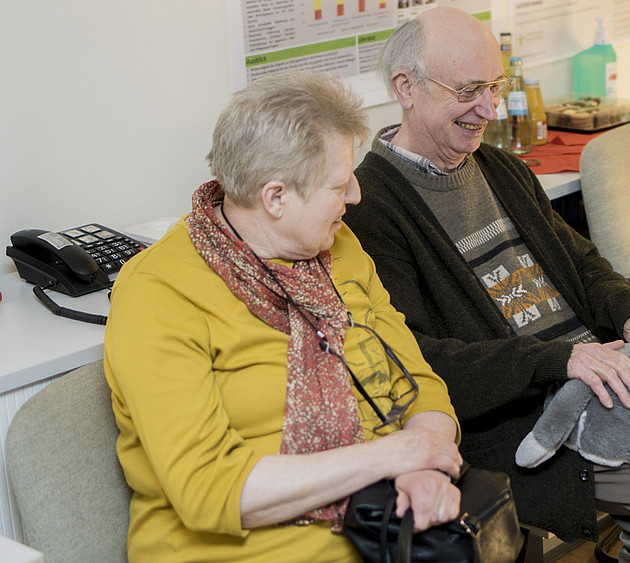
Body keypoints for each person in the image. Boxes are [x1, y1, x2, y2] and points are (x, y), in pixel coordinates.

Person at [344, 7, 630, 562]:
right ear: (405, 88)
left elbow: (584, 264)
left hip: (614, 375)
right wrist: (558, 363)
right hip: (528, 415)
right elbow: (418, 356)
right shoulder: (371, 208)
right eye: (469, 90)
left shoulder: (502, 169)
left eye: (495, 85)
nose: (489, 108)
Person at [103, 70, 463, 562]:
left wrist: (426, 463)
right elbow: (212, 490)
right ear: (275, 197)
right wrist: (396, 455)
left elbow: (422, 385)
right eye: (339, 184)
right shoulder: (159, 294)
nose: (356, 195)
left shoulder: (339, 248)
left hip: (384, 531)